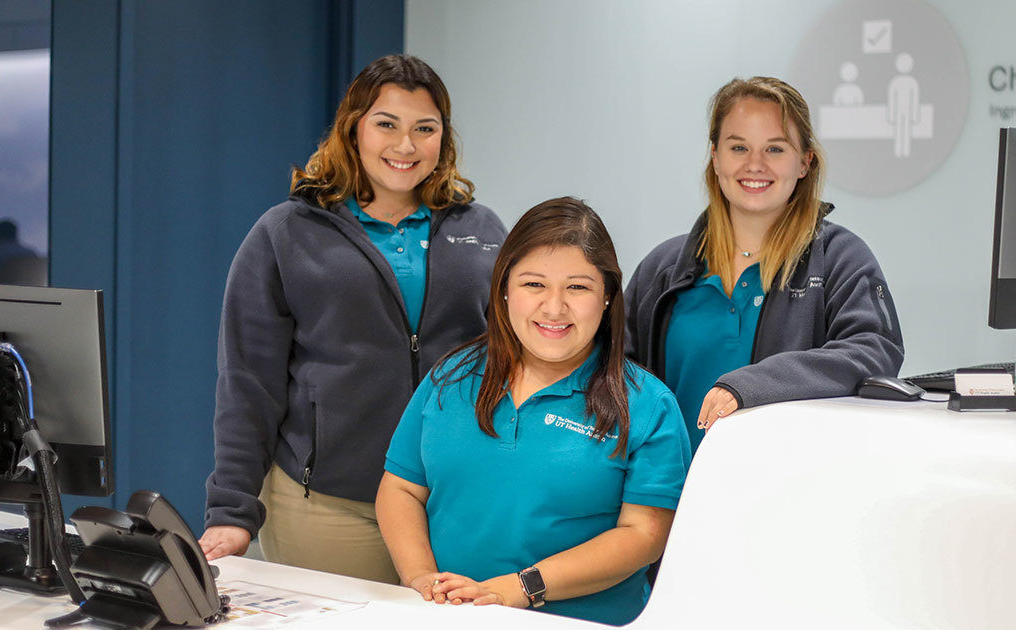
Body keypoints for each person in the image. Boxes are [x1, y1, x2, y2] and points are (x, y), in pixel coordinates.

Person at [199, 54, 506, 583]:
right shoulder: (286, 231)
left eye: (424, 129)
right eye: (386, 124)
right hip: (329, 506)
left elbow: (515, 360)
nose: (405, 146)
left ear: (443, 139)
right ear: (353, 129)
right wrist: (232, 509)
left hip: (453, 501)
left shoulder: (480, 229)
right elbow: (249, 382)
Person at [376, 197, 691, 626]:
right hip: (446, 616)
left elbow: (644, 535)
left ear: (607, 297)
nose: (554, 307)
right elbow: (401, 489)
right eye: (534, 284)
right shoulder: (450, 376)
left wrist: (522, 587)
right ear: (504, 288)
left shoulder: (647, 405)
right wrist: (422, 580)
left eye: (577, 287)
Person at [625, 76, 904, 455]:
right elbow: (615, 376)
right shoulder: (663, 268)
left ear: (804, 161)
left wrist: (753, 386)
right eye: (738, 147)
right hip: (670, 499)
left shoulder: (840, 257)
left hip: (782, 496)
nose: (754, 165)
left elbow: (875, 351)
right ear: (715, 156)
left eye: (775, 149)